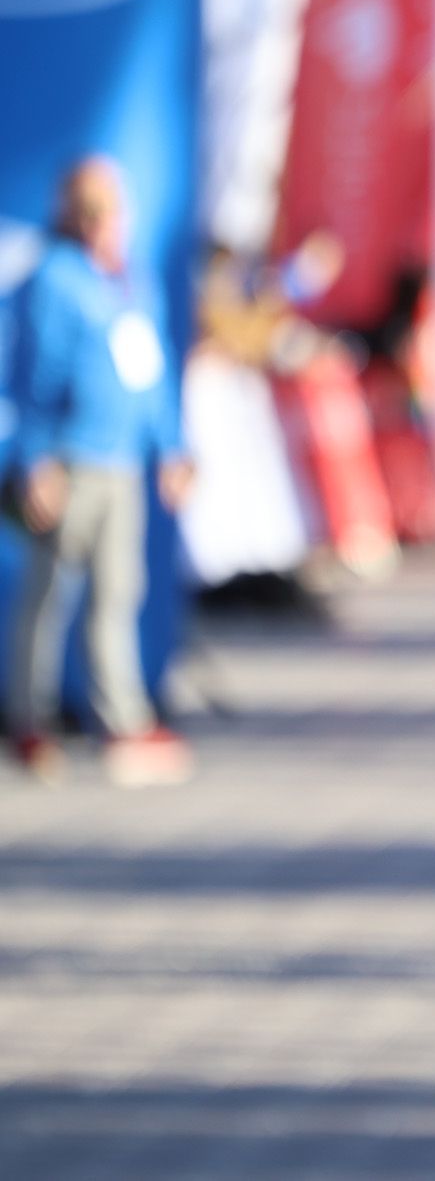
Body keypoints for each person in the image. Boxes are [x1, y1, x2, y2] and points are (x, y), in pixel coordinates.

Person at [4, 158, 194, 786]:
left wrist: (170, 446)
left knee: (117, 592)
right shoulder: (54, 282)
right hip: (72, 461)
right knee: (50, 593)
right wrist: (34, 461)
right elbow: (34, 377)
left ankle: (120, 720)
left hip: (122, 463)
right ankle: (29, 719)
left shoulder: (132, 282)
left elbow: (154, 372)